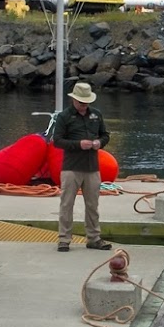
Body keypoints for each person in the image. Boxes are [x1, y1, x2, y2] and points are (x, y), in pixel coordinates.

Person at [55, 81, 112, 252]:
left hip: (92, 167)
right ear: (74, 100)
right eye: (81, 102)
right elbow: (57, 141)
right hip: (71, 166)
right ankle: (64, 239)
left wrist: (99, 143)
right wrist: (78, 144)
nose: (84, 105)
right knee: (67, 203)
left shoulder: (96, 114)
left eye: (86, 102)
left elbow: (105, 135)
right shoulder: (64, 117)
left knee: (93, 204)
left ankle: (94, 238)